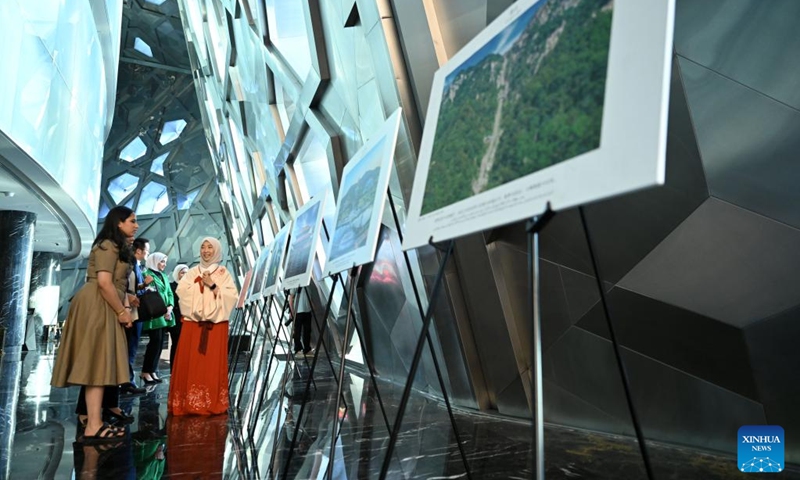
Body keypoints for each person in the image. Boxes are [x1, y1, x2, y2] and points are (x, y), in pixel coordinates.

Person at [51, 206, 136, 442]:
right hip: (99, 304)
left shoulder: (116, 245)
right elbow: (104, 282)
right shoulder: (108, 245)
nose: (135, 225)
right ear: (119, 223)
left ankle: (95, 422)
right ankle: (93, 424)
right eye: (132, 220)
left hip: (104, 303)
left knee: (99, 365)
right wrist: (121, 311)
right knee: (97, 364)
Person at [168, 237, 238, 415]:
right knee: (191, 362)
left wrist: (212, 285)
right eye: (203, 247)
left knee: (210, 365)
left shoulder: (223, 273)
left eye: (210, 247)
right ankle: (188, 402)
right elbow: (182, 293)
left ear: (216, 250)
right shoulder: (192, 272)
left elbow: (230, 298)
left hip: (215, 326)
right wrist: (199, 285)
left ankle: (210, 401)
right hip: (193, 325)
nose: (206, 251)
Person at [122, 237, 152, 395]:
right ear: (138, 251)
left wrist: (144, 285)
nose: (148, 253)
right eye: (147, 250)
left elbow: (134, 286)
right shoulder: (129, 264)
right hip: (130, 310)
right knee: (129, 347)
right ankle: (127, 381)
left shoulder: (136, 266)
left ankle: (127, 380)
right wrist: (130, 296)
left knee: (131, 347)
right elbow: (123, 286)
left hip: (134, 310)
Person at [139, 252, 174, 384]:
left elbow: (169, 293)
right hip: (154, 313)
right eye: (161, 262)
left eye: (164, 262)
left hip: (165, 313)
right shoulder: (147, 274)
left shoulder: (164, 275)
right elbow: (148, 293)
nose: (164, 264)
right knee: (155, 342)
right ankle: (146, 371)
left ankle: (152, 370)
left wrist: (169, 307)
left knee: (159, 343)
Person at [168, 264, 189, 369]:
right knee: (176, 343)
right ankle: (174, 368)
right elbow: (172, 302)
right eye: (182, 272)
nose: (184, 275)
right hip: (176, 319)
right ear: (177, 273)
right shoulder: (172, 286)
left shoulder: (190, 286)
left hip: (188, 319)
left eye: (186, 272)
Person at [289, 288, 313, 356]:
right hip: (298, 310)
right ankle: (297, 349)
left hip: (307, 310)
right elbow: (291, 298)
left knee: (307, 331)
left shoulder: (308, 283)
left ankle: (307, 349)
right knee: (297, 331)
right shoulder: (296, 283)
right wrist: (292, 311)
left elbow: (309, 297)